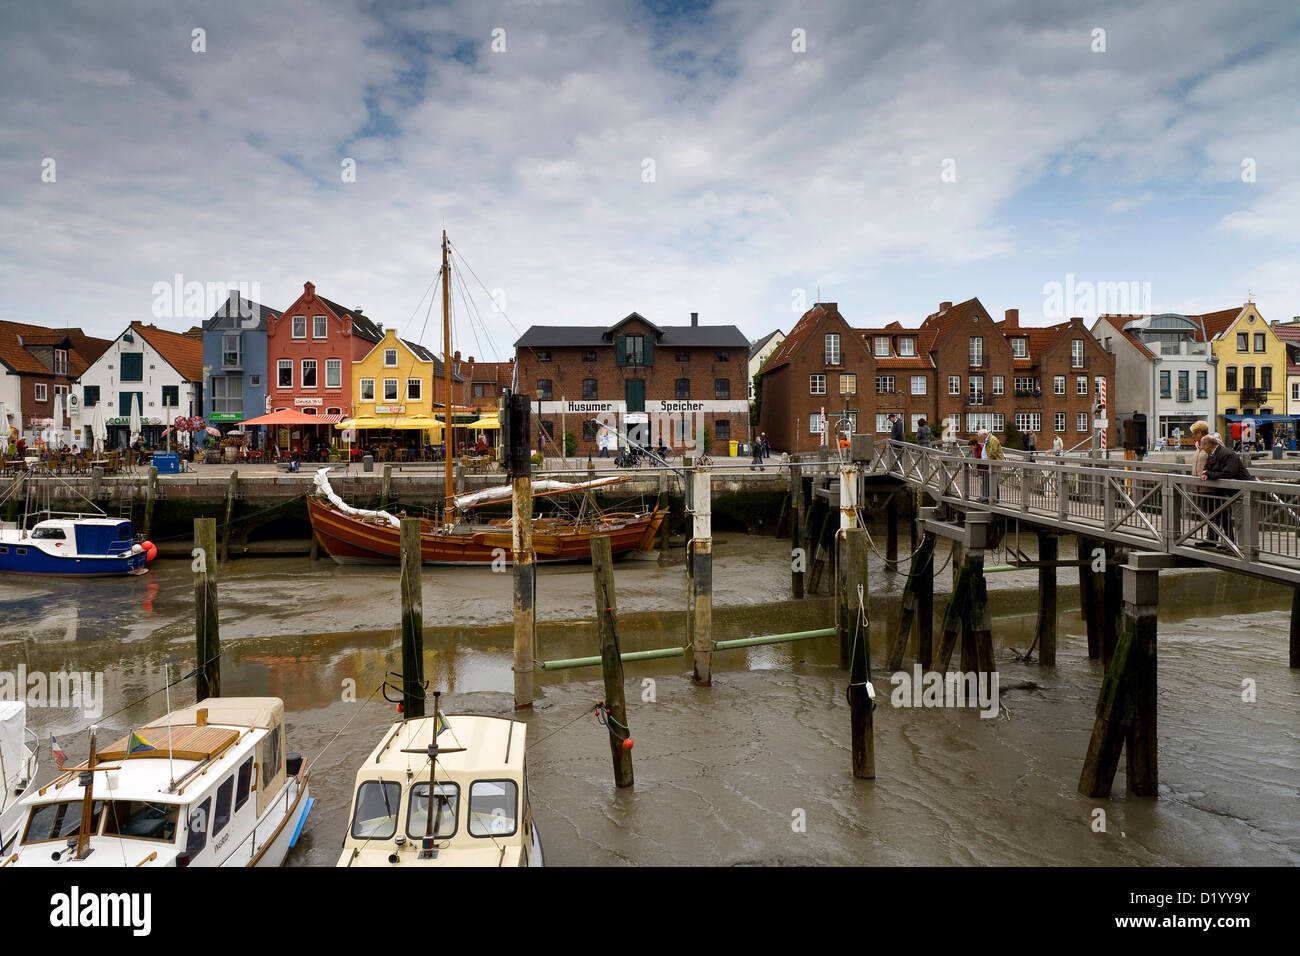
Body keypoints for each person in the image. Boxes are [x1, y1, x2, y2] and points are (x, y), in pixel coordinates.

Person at [1199, 433, 1254, 546]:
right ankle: (1233, 546)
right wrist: (1206, 473)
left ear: (1208, 445)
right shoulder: (1214, 453)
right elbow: (1208, 467)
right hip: (1229, 492)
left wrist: (1209, 474)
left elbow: (1228, 473)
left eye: (1202, 445)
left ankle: (1244, 548)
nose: (1201, 448)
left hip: (1241, 491)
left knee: (1241, 521)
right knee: (1228, 518)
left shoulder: (1227, 454)